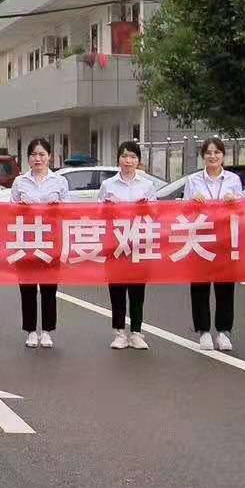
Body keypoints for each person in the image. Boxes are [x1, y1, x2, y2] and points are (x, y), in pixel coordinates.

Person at [186, 136, 242, 352]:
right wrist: (193, 202)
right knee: (200, 286)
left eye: (217, 152)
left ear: (223, 156)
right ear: (203, 156)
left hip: (225, 238)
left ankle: (224, 331)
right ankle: (203, 331)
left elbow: (243, 209)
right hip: (200, 238)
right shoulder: (193, 181)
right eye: (208, 153)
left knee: (225, 286)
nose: (213, 156)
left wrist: (233, 201)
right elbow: (183, 210)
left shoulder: (233, 180)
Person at [10, 138, 67, 349]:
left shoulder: (59, 181)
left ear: (49, 157)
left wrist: (57, 207)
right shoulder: (20, 182)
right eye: (34, 154)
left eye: (42, 154)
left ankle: (47, 331)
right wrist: (20, 207)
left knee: (49, 287)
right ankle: (31, 331)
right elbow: (10, 211)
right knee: (27, 287)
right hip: (26, 240)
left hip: (51, 241)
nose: (38, 158)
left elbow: (68, 211)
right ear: (28, 158)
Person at [100, 141, 155, 350]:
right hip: (115, 243)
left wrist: (145, 208)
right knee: (117, 289)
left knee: (137, 291)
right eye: (124, 156)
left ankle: (137, 332)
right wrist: (108, 208)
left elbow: (155, 214)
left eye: (132, 156)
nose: (128, 161)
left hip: (139, 243)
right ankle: (119, 332)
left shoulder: (147, 185)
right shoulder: (108, 185)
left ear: (138, 160)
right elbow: (99, 213)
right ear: (118, 159)